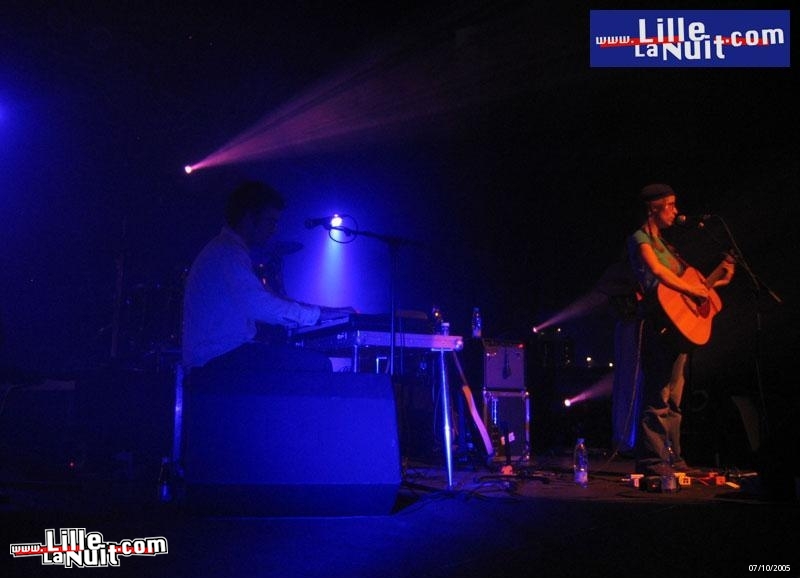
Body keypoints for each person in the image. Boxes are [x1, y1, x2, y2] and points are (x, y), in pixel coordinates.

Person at [181, 180, 354, 374]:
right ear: (248, 218)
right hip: (216, 360)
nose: (274, 229)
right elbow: (261, 305)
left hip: (218, 357)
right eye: (270, 221)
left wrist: (325, 312)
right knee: (317, 365)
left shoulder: (226, 250)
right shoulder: (227, 253)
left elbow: (271, 299)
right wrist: (318, 316)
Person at [627, 183, 735, 476]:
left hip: (676, 327)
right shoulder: (640, 239)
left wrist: (716, 280)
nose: (676, 211)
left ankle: (671, 457)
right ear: (654, 208)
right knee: (659, 394)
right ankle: (651, 460)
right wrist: (692, 287)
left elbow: (686, 294)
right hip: (658, 323)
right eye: (670, 205)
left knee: (675, 397)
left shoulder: (668, 247)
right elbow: (658, 274)